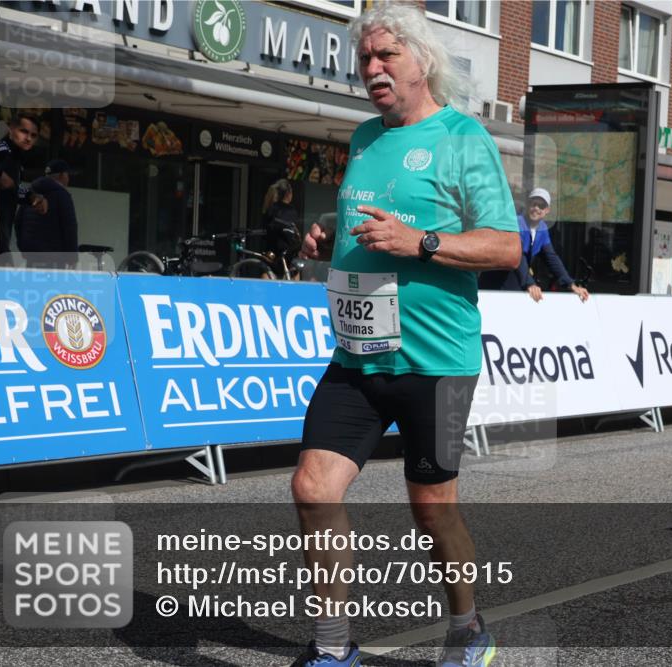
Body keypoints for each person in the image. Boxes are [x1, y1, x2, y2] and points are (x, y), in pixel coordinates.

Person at [293, 4, 520, 667]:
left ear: (422, 59)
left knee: (431, 511)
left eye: (386, 56)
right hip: (359, 355)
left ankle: (468, 628)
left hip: (436, 361)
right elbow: (366, 223)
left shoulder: (461, 137)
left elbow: (505, 246)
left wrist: (418, 241)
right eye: (364, 59)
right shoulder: (363, 137)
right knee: (313, 486)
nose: (372, 70)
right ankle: (336, 648)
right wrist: (326, 239)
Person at [478, 188, 589, 302]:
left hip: (516, 282)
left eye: (541, 205)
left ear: (547, 210)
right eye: (533, 204)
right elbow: (518, 255)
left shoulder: (542, 229)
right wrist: (529, 283)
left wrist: (571, 285)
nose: (536, 208)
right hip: (495, 283)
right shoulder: (516, 223)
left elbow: (551, 258)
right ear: (527, 205)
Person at [0, 113, 47, 257]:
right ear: (11, 129)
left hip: (2, 230)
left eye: (34, 135)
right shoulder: (1, 150)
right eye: (24, 131)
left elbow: (11, 187)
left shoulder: (16, 158)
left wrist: (30, 197)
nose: (28, 138)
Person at [15, 159, 78, 268]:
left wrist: (24, 247)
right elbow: (69, 227)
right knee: (53, 285)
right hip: (55, 258)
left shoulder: (30, 193)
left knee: (32, 284)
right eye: (67, 175)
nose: (68, 178)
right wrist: (72, 257)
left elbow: (18, 221)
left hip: (31, 255)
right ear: (62, 175)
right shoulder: (62, 196)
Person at [261, 178, 302, 276]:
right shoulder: (292, 211)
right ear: (289, 193)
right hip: (289, 256)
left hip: (271, 255)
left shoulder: (270, 209)